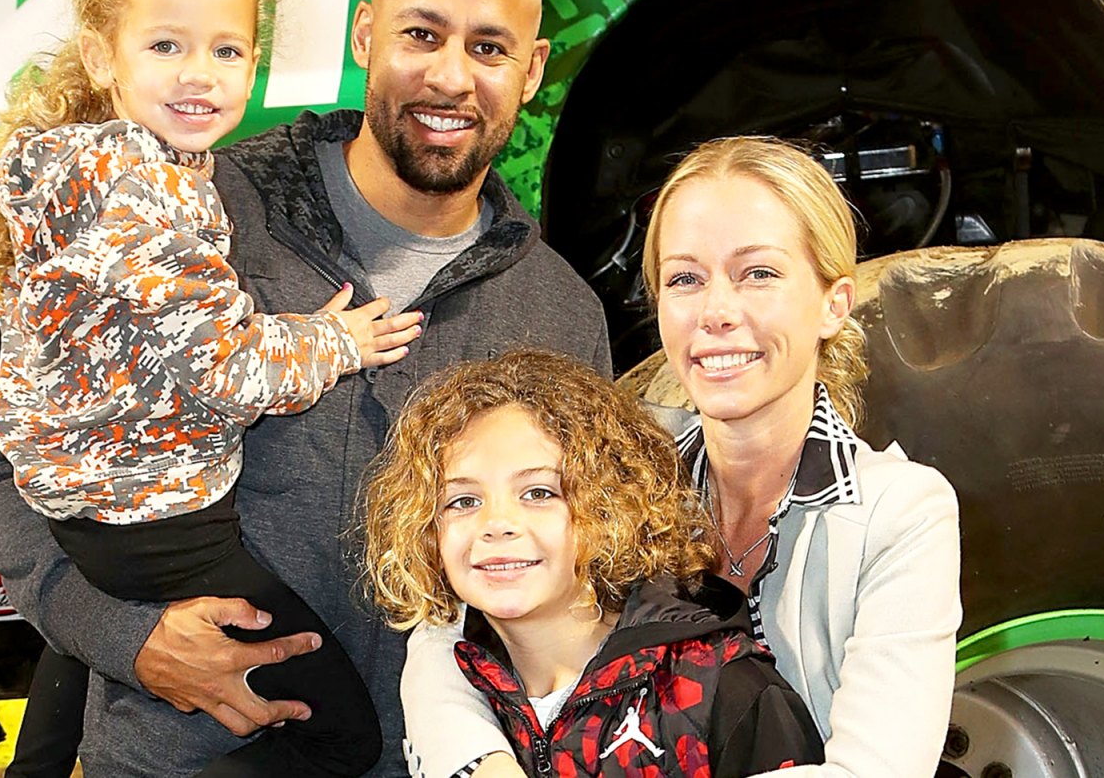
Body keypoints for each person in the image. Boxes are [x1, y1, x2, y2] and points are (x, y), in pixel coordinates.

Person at [0, 0, 612, 778]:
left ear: (531, 72)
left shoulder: (559, 312)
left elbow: (588, 575)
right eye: (421, 35)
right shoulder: (187, 210)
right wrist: (130, 639)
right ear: (367, 34)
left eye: (490, 49)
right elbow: (11, 480)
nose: (451, 76)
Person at [0, 0, 428, 776]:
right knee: (343, 733)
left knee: (63, 705)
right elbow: (229, 370)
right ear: (102, 56)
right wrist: (335, 340)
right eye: (166, 47)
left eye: (227, 51)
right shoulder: (136, 190)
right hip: (160, 518)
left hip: (97, 510)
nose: (199, 75)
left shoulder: (106, 172)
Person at [402, 137, 962, 778]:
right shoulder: (622, 463)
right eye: (685, 279)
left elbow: (875, 771)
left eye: (758, 273)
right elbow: (445, 631)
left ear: (834, 302)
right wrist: (484, 766)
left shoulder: (901, 512)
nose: (716, 312)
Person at [362, 348, 826, 776]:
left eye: (539, 493)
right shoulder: (454, 691)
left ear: (609, 508)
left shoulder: (724, 689)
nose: (496, 523)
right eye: (462, 500)